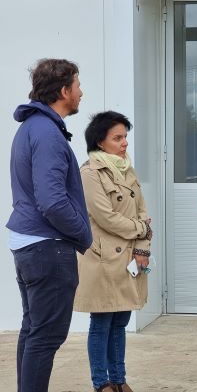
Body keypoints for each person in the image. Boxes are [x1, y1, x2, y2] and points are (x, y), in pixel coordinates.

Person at [7, 58, 92, 392]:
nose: (81, 93)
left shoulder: (32, 127)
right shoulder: (47, 133)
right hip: (47, 247)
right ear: (63, 90)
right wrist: (83, 233)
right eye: (78, 86)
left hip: (30, 243)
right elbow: (53, 200)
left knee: (34, 331)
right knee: (45, 336)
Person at [74, 111, 152, 392]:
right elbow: (105, 217)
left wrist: (143, 247)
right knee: (102, 320)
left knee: (120, 320)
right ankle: (101, 382)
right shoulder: (89, 172)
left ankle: (119, 379)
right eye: (117, 138)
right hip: (102, 258)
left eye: (125, 137)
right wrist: (140, 228)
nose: (124, 143)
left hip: (130, 256)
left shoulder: (127, 170)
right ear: (100, 141)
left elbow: (144, 212)